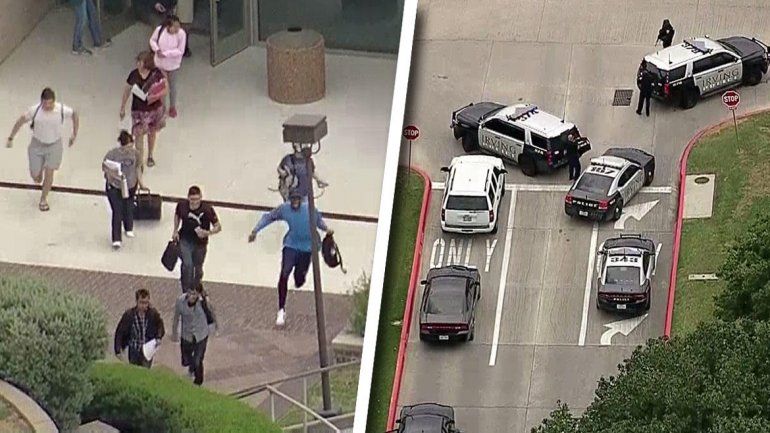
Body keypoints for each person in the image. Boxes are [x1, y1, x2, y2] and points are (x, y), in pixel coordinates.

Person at [248, 192, 333, 326]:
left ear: (300, 200)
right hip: (291, 245)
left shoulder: (309, 209)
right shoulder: (284, 209)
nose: (294, 202)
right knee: (284, 272)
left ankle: (299, 277)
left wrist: (327, 229)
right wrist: (255, 230)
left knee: (299, 279)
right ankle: (281, 309)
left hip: (307, 248)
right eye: (292, 199)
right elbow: (268, 217)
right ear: (289, 200)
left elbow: (319, 222)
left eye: (296, 199)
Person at [7, 88, 79, 212]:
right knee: (36, 176)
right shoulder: (35, 111)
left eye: (50, 103)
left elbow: (74, 115)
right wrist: (11, 137)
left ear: (54, 102)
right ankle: (38, 175)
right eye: (45, 103)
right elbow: (21, 121)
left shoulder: (61, 110)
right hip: (37, 145)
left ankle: (43, 199)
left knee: (49, 173)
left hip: (54, 145)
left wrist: (74, 134)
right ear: (41, 102)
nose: (48, 106)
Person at [119, 51, 168, 169]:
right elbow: (127, 90)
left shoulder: (156, 74)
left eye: (140, 62)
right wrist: (122, 107)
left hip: (154, 109)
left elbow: (165, 89)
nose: (138, 64)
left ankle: (150, 155)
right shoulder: (134, 75)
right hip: (138, 110)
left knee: (152, 133)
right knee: (138, 135)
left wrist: (155, 97)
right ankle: (139, 161)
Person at [102, 130, 148, 249]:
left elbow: (138, 168)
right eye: (126, 147)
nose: (128, 149)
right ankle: (116, 238)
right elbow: (105, 169)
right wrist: (114, 175)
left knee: (128, 206)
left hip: (131, 184)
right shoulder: (112, 154)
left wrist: (141, 183)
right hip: (115, 186)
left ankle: (128, 227)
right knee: (117, 211)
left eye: (130, 146)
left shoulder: (135, 154)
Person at [173, 186, 222, 293]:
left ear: (201, 198)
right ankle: (186, 290)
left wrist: (208, 233)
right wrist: (175, 230)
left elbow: (218, 226)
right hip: (185, 239)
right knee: (188, 265)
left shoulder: (207, 209)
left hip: (200, 243)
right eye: (192, 200)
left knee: (198, 269)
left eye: (196, 199)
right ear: (188, 198)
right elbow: (177, 215)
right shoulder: (182, 206)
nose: (194, 203)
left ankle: (195, 287)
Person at [171, 286, 216, 385]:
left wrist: (215, 326)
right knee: (185, 359)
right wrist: (174, 333)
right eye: (190, 293)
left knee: (198, 360)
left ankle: (198, 381)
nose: (192, 296)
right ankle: (192, 367)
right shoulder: (180, 302)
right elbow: (176, 317)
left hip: (201, 334)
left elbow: (212, 312)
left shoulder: (202, 302)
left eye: (195, 294)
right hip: (186, 335)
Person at [114, 289, 165, 368]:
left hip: (147, 349)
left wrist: (158, 337)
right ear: (137, 302)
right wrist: (118, 349)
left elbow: (160, 326)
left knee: (145, 371)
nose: (144, 306)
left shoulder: (152, 314)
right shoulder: (129, 315)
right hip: (134, 349)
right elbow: (120, 331)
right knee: (134, 370)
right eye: (141, 302)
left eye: (146, 303)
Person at [149, 15, 187, 118]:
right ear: (168, 26)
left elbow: (180, 50)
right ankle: (162, 107)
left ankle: (172, 106)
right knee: (162, 87)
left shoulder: (181, 34)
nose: (177, 29)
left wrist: (166, 54)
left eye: (178, 26)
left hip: (173, 65)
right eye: (174, 27)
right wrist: (157, 49)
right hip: (160, 64)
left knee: (172, 86)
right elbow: (152, 40)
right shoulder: (159, 30)